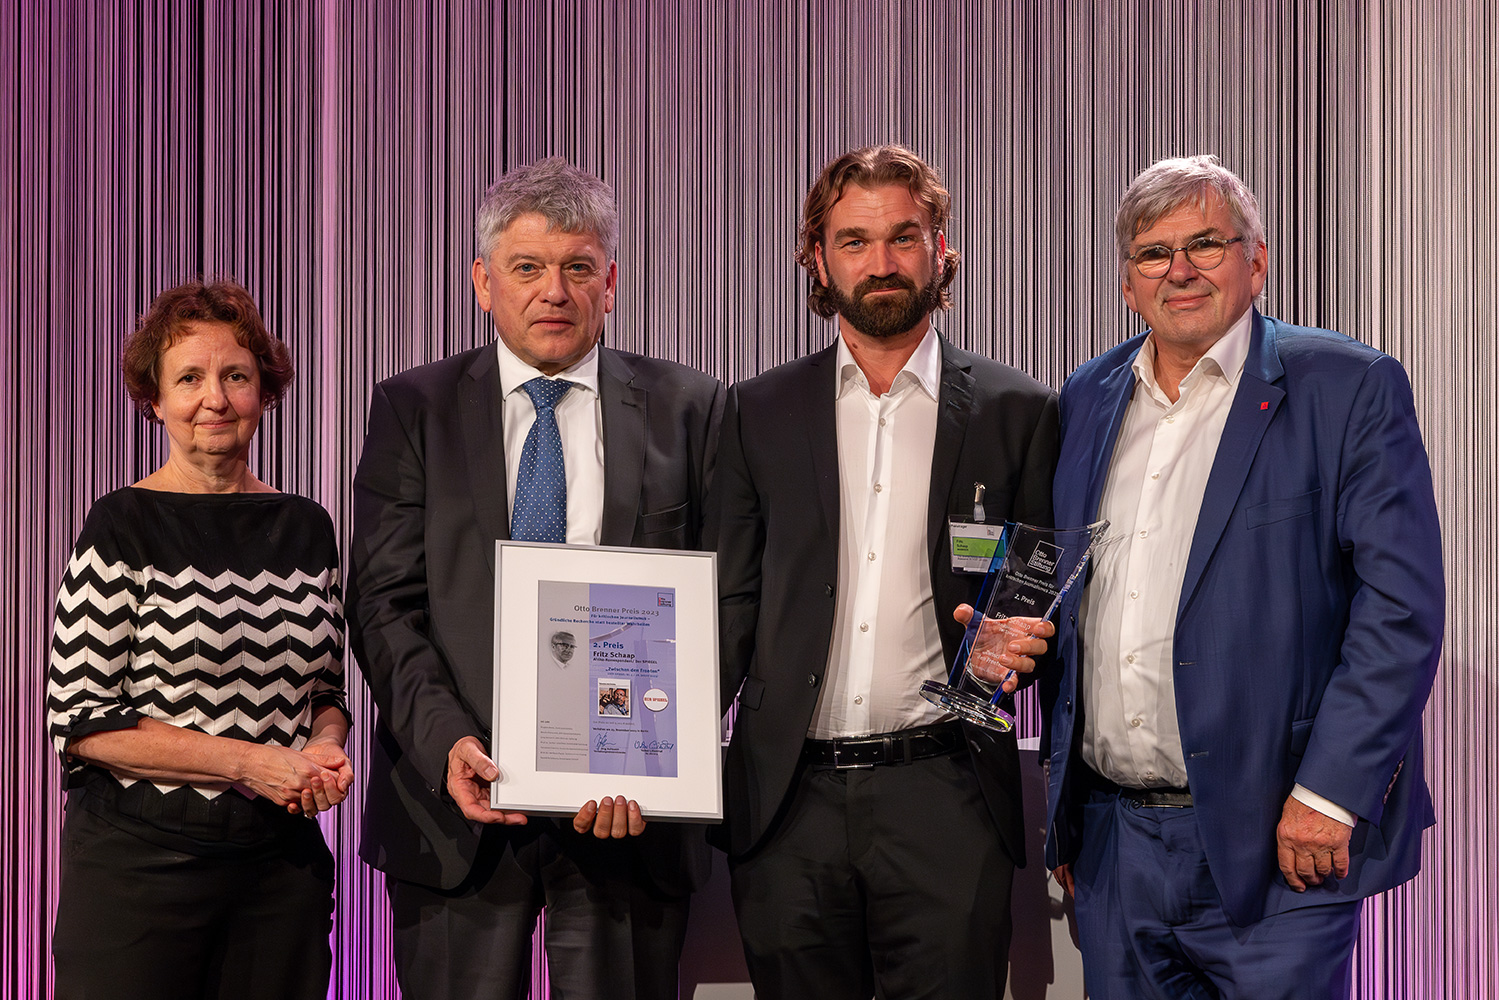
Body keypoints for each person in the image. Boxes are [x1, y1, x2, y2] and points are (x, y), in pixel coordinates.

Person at [1044, 154, 1444, 999]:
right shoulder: (1085, 397)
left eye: (1205, 244)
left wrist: (1330, 795)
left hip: (1277, 840)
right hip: (1115, 842)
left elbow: (1398, 612)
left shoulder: (1345, 384)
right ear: (1126, 282)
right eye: (1153, 253)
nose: (1178, 270)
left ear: (1254, 261)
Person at [348, 157, 723, 1000]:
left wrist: (662, 757)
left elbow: (727, 606)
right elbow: (383, 604)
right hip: (454, 813)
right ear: (483, 282)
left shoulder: (691, 410)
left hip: (630, 814)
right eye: (526, 268)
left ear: (610, 281)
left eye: (577, 267)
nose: (552, 290)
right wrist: (449, 743)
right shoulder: (416, 409)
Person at [711, 144, 1058, 999]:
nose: (882, 262)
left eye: (904, 237)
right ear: (817, 259)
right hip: (786, 803)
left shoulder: (1019, 412)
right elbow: (726, 606)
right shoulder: (754, 411)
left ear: (942, 249)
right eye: (855, 240)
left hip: (947, 795)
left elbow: (1038, 589)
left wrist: (1017, 644)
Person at [45, 279, 353, 1000]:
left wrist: (323, 747)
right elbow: (84, 721)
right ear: (154, 402)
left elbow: (326, 691)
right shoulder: (122, 522)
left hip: (280, 875)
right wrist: (250, 763)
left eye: (235, 376)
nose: (213, 398)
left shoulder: (307, 526)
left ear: (264, 394)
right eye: (189, 378)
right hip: (137, 871)